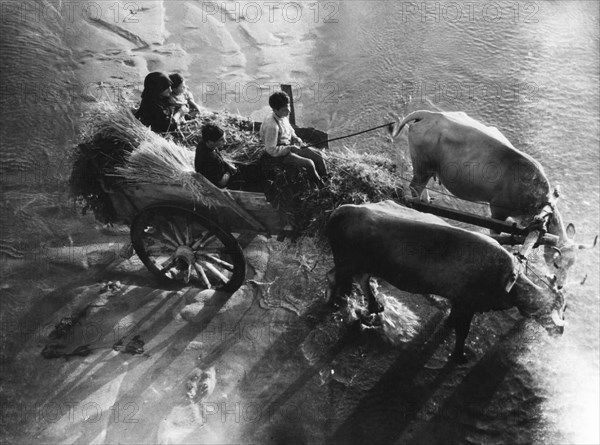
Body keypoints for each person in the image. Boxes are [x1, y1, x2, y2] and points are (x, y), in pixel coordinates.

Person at [259, 91, 328, 187]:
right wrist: (290, 149)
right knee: (309, 163)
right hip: (279, 155)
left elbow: (290, 130)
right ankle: (321, 186)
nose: (288, 111)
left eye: (289, 107)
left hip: (289, 146)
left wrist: (296, 139)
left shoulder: (283, 116)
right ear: (275, 110)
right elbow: (271, 150)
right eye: (284, 109)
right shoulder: (272, 126)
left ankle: (327, 179)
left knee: (319, 155)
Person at [194, 123, 238, 188]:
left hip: (213, 171)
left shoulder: (203, 143)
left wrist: (227, 165)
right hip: (216, 185)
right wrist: (229, 172)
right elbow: (221, 183)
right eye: (221, 140)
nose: (225, 141)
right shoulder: (211, 159)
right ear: (210, 142)